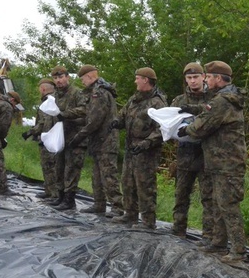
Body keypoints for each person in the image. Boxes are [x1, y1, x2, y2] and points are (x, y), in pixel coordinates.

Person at [178, 61, 248, 264]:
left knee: (228, 205)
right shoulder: (225, 98)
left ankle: (238, 250)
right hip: (221, 160)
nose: (206, 80)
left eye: (208, 77)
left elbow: (202, 126)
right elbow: (207, 110)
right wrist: (192, 107)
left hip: (227, 162)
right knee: (219, 204)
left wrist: (185, 130)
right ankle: (218, 243)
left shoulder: (222, 101)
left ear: (218, 78)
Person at [111, 67, 166, 229]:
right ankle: (130, 214)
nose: (135, 81)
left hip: (147, 150)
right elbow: (122, 116)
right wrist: (116, 122)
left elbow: (162, 128)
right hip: (131, 147)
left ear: (146, 80)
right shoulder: (134, 99)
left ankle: (148, 221)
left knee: (145, 185)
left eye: (137, 78)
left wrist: (146, 143)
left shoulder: (158, 102)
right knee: (127, 182)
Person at [68, 65, 124, 216]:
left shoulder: (99, 93)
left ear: (90, 77)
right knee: (97, 176)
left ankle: (118, 207)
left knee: (108, 175)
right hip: (98, 141)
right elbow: (90, 117)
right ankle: (99, 204)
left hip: (106, 140)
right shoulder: (96, 91)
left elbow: (95, 120)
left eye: (83, 79)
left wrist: (79, 136)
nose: (82, 83)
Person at [170, 62, 214, 240]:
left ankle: (209, 234)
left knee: (208, 197)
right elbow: (169, 123)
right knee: (181, 194)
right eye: (189, 78)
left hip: (207, 154)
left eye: (196, 77)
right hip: (185, 153)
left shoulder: (213, 97)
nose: (193, 81)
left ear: (203, 76)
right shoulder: (179, 101)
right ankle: (178, 229)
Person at [49, 65, 88, 211]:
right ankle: (60, 196)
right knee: (59, 168)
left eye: (61, 77)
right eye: (56, 78)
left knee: (71, 169)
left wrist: (65, 114)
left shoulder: (77, 93)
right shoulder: (55, 96)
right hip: (60, 138)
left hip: (75, 138)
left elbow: (84, 110)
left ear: (67, 77)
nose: (58, 81)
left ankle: (69, 200)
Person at [22, 78, 58, 199]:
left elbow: (44, 122)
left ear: (42, 89)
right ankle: (49, 190)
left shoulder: (48, 101)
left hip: (48, 139)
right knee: (49, 166)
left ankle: (53, 193)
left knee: (50, 166)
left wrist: (31, 132)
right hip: (52, 138)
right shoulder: (56, 99)